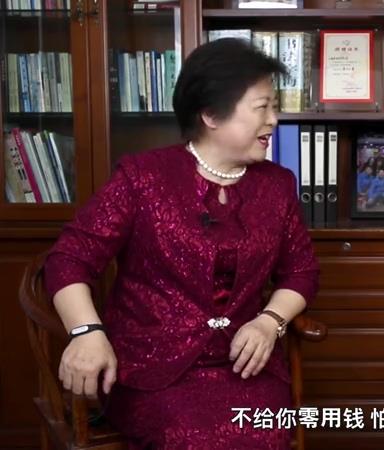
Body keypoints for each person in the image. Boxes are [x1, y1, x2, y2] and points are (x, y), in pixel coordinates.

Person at [44, 38, 320, 450]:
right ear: (211, 114)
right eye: (262, 107)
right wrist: (86, 331)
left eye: (274, 107)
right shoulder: (143, 177)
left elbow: (301, 271)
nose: (274, 120)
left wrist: (270, 321)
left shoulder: (277, 186)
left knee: (265, 432)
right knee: (193, 438)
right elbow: (69, 259)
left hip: (246, 368)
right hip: (152, 371)